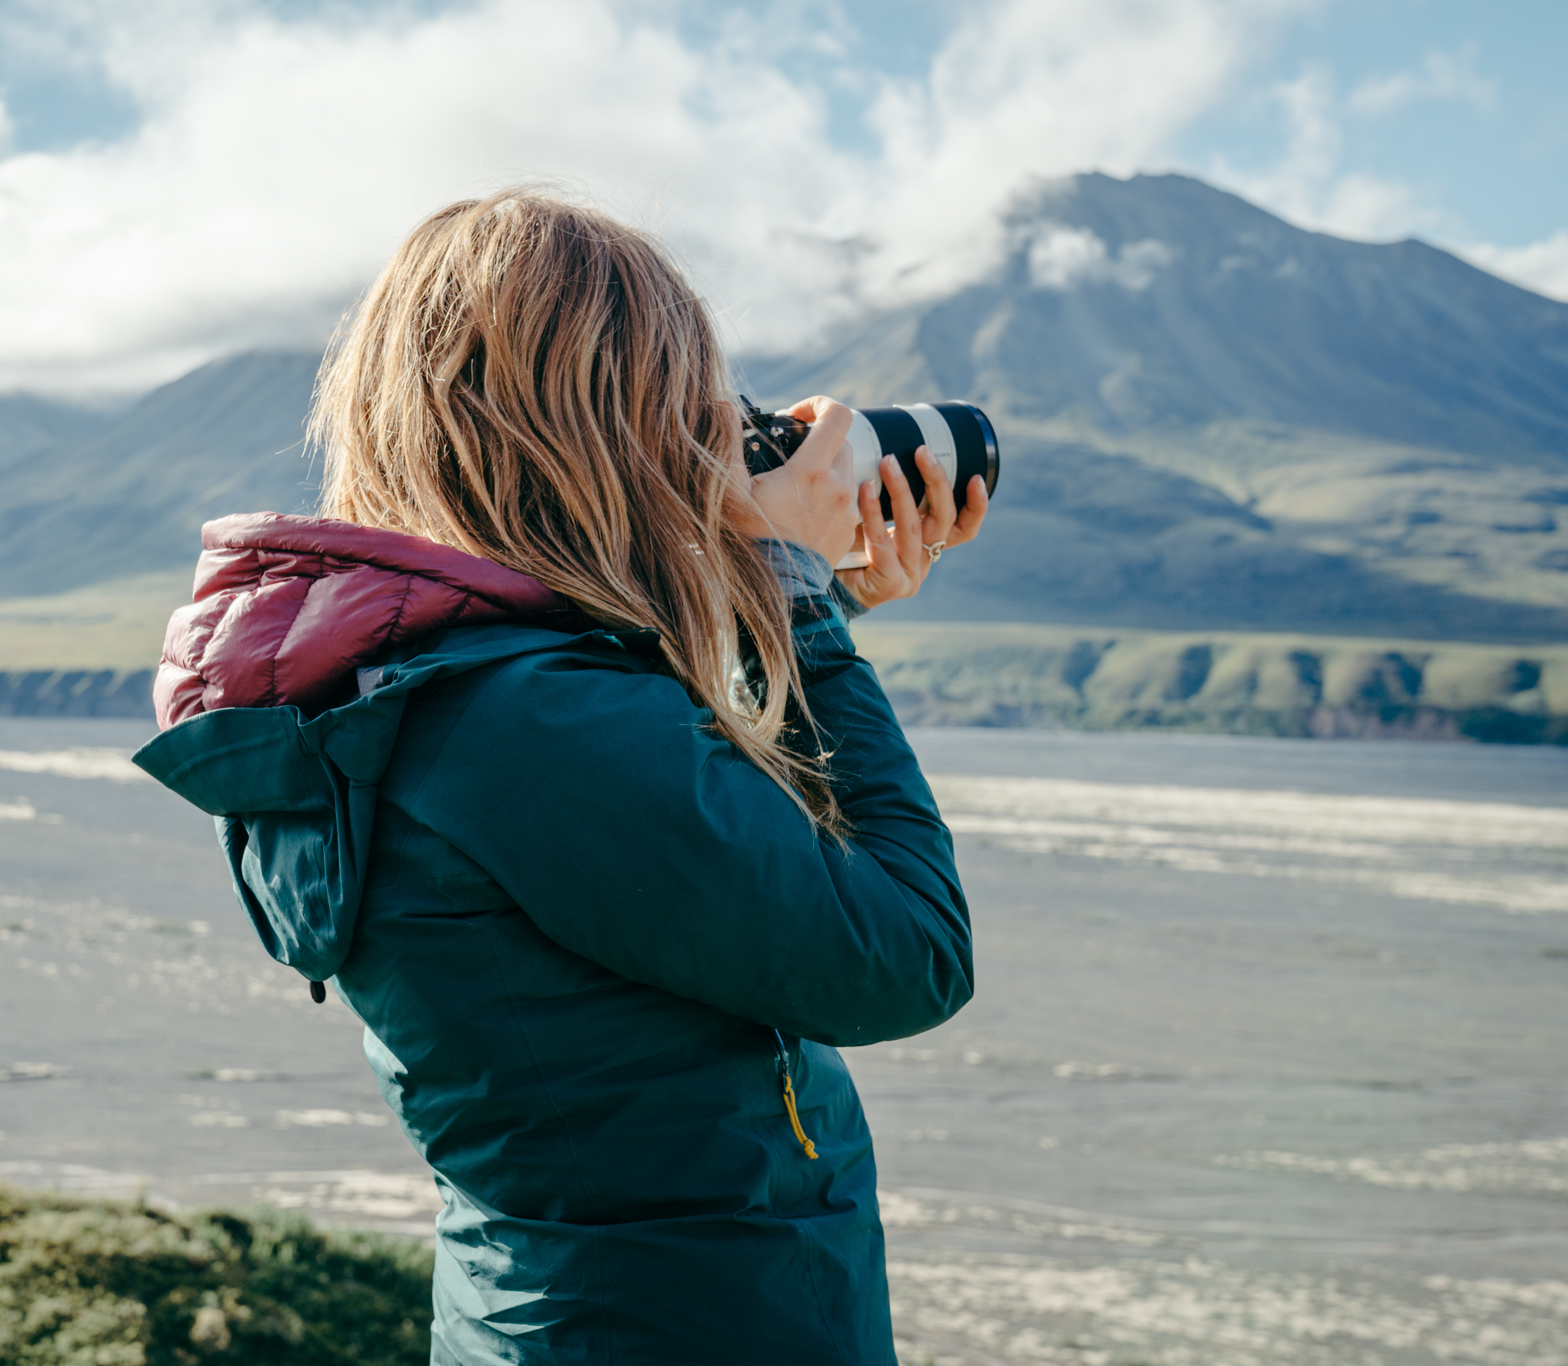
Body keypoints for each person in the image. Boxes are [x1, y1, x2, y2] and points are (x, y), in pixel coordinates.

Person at [133, 191, 986, 1365]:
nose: (704, 450)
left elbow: (683, 818)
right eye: (684, 412)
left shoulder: (444, 684)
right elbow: (906, 957)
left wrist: (800, 605)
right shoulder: (521, 723)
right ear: (597, 421)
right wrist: (793, 601)